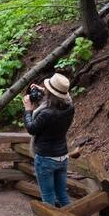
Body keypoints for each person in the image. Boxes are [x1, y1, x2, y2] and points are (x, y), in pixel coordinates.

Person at [22, 72, 75, 207]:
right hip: (62, 156)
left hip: (46, 159)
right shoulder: (69, 108)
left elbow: (31, 129)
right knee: (62, 194)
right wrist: (42, 90)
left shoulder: (47, 113)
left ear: (51, 93)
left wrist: (28, 110)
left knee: (48, 197)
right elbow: (61, 99)